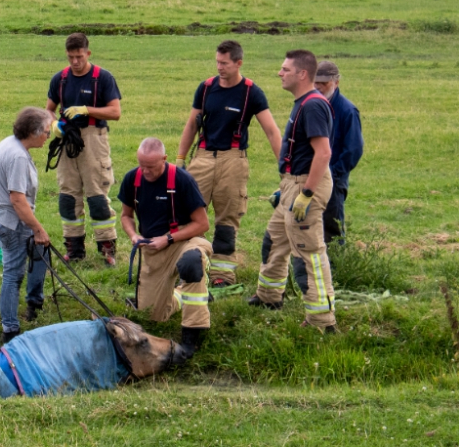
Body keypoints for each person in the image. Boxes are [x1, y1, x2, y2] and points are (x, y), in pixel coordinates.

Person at [175, 40, 282, 287]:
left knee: (227, 220)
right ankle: (189, 271)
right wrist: (180, 160)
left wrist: (284, 170)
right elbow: (192, 124)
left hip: (233, 160)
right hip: (201, 157)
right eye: (217, 62)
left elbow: (272, 132)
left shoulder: (251, 93)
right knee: (189, 215)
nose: (219, 67)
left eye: (224, 63)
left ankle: (223, 277)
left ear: (238, 63)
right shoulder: (206, 88)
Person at [248, 50, 336, 333]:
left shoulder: (312, 106)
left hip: (305, 186)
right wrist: (285, 187)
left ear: (302, 74)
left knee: (307, 254)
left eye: (285, 69)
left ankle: (322, 322)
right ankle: (269, 297)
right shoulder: (303, 103)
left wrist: (306, 193)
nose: (279, 73)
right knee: (274, 241)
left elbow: (323, 154)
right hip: (292, 183)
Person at [117, 138, 213, 358]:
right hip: (152, 249)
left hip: (184, 240)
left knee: (191, 265)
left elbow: (202, 224)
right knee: (152, 315)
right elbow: (125, 216)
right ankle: (182, 293)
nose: (145, 171)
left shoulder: (182, 180)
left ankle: (192, 337)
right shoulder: (132, 178)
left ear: (164, 159)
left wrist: (168, 238)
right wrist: (134, 235)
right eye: (141, 165)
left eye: (150, 167)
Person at [46, 33, 122, 266]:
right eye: (71, 57)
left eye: (79, 57)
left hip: (94, 139)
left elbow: (115, 112)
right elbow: (49, 108)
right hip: (68, 140)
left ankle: (107, 248)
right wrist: (53, 125)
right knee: (68, 198)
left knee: (97, 196)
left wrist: (87, 110)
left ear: (88, 53)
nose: (75, 62)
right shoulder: (60, 79)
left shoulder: (103, 78)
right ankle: (74, 248)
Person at [0, 107, 54, 343]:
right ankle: (10, 330)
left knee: (40, 252)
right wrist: (37, 228)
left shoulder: (10, 143)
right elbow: (17, 199)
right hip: (12, 224)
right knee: (13, 275)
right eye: (46, 132)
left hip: (4, 217)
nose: (49, 136)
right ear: (34, 133)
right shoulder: (17, 156)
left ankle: (34, 303)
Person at [314, 61, 363, 246]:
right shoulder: (312, 106)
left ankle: (338, 270)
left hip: (333, 179)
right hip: (308, 176)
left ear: (336, 82)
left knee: (331, 227)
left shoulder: (347, 111)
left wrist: (332, 174)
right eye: (315, 81)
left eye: (324, 82)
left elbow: (353, 150)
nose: (318, 86)